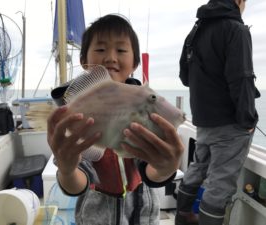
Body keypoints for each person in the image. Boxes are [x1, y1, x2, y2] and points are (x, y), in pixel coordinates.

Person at [47, 14, 184, 225]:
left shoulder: (141, 103)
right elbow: (77, 184)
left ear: (135, 62)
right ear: (84, 62)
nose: (111, 57)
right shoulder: (77, 115)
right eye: (101, 50)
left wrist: (167, 168)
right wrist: (67, 169)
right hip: (94, 217)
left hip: (142, 215)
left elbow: (151, 171)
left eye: (121, 50)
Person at [176, 0, 260, 225]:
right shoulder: (236, 29)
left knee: (197, 167)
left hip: (202, 121)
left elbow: (185, 77)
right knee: (220, 185)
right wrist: (248, 120)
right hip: (230, 123)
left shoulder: (195, 30)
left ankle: (182, 217)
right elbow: (241, 78)